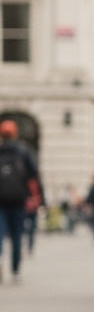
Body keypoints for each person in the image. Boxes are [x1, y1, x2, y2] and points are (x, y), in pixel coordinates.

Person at [0, 119, 45, 283]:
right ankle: (15, 270)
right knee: (17, 236)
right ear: (15, 133)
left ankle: (0, 257)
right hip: (19, 199)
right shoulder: (23, 151)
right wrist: (41, 199)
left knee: (0, 232)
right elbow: (34, 176)